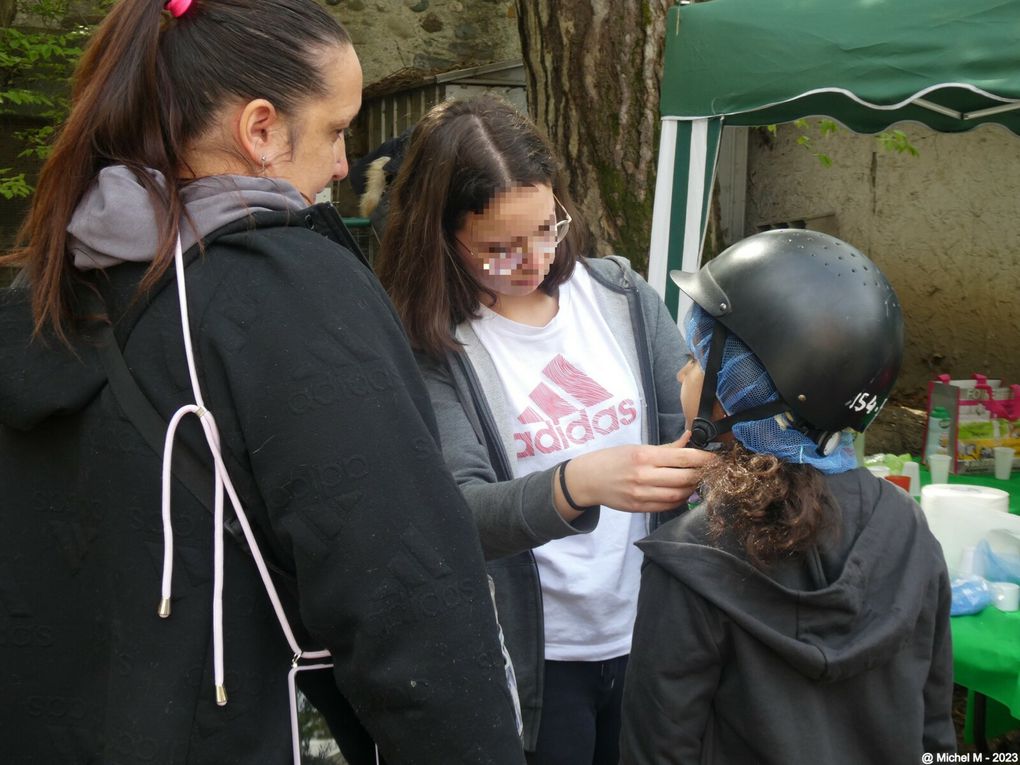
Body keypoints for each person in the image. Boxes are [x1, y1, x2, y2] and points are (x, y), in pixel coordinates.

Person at [0, 1, 526, 763]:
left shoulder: (43, 287)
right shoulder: (294, 294)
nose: (345, 165)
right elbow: (406, 595)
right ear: (261, 131)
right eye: (338, 130)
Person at [375, 95, 715, 764]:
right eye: (498, 249)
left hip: (647, 632)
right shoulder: (434, 347)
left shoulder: (617, 295)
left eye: (545, 229)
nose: (530, 260)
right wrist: (578, 483)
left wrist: (716, 412)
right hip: (536, 656)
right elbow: (461, 512)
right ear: (441, 238)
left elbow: (686, 432)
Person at [619, 229, 956, 764]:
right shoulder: (908, 526)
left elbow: (656, 750)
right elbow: (937, 730)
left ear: (740, 390)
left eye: (694, 355)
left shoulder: (692, 557)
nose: (682, 372)